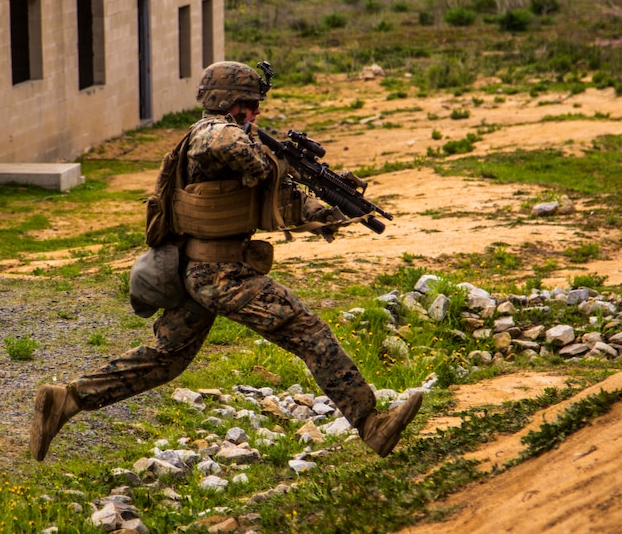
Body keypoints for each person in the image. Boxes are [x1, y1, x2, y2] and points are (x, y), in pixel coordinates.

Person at [30, 61, 422, 461]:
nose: (256, 113)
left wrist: (326, 213)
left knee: (168, 359)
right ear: (228, 103)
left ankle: (66, 400)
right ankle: (372, 425)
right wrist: (263, 156)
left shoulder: (238, 135)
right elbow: (226, 147)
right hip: (219, 274)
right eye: (250, 104)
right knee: (308, 331)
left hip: (202, 272)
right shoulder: (213, 131)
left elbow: (272, 195)